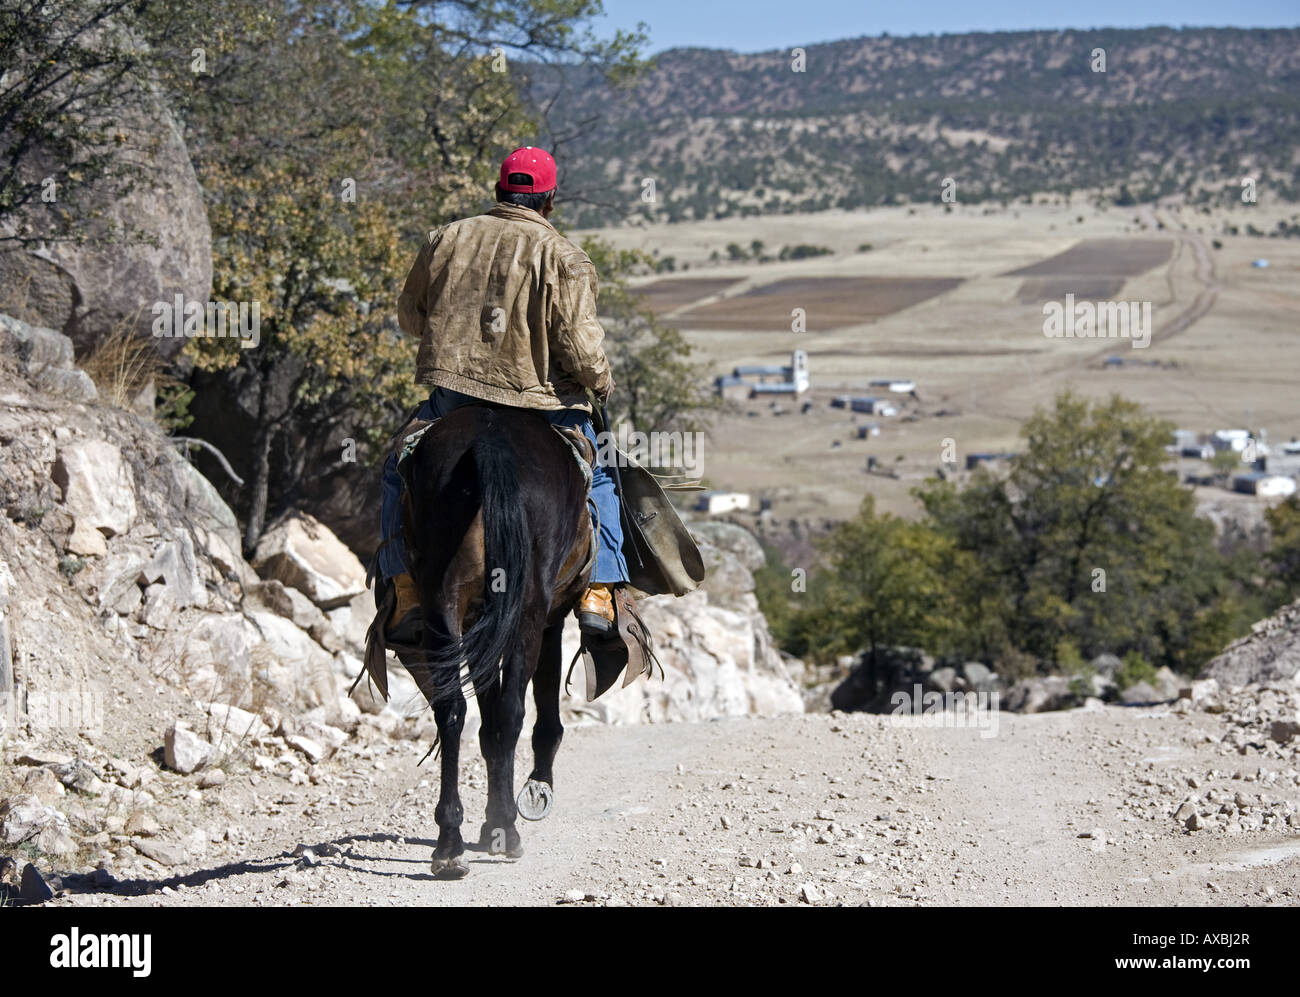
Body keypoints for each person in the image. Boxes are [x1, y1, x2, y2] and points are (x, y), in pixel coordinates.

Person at [378, 145, 627, 644]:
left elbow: (410, 317)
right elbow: (580, 348)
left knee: (396, 468)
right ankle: (600, 588)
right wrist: (602, 382)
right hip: (544, 407)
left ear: (498, 191)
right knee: (602, 475)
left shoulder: (445, 239)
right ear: (549, 201)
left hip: (456, 399)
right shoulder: (565, 258)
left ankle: (404, 584)